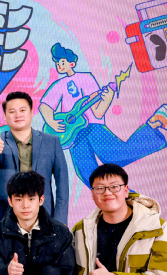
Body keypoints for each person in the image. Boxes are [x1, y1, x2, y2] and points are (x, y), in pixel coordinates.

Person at [38, 44, 167, 187]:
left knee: (116, 156)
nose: (59, 66)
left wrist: (108, 97)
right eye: (57, 63)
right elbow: (44, 105)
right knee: (88, 176)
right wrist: (52, 122)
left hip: (93, 129)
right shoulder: (59, 85)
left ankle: (153, 123)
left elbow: (98, 112)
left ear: (72, 63)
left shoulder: (86, 78)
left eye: (62, 62)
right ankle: (125, 197)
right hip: (74, 136)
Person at [64, 164, 167, 275]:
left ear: (126, 190)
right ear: (92, 194)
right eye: (100, 188)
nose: (107, 193)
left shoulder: (157, 228)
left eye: (114, 187)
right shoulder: (80, 231)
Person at [0, 91, 69, 226]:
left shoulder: (51, 142)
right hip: (2, 215)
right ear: (5, 116)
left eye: (22, 110)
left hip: (43, 215)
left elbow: (62, 183)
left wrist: (60, 220)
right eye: (12, 112)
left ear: (31, 112)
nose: (18, 115)